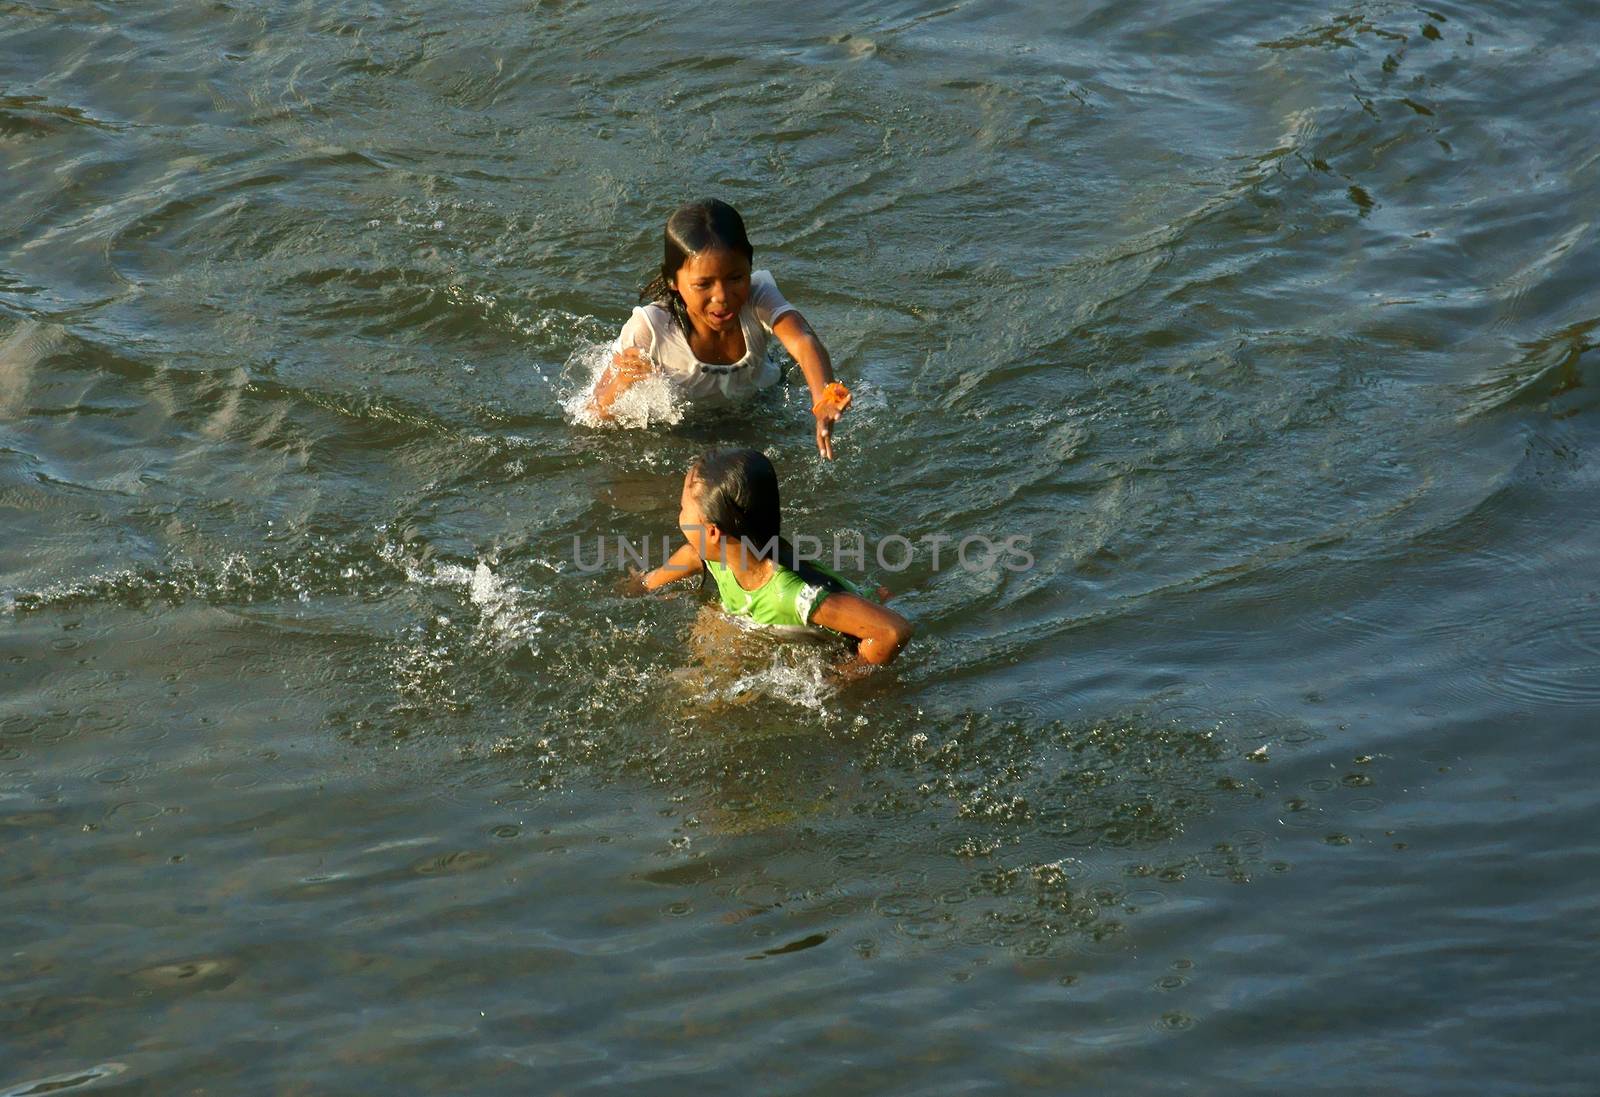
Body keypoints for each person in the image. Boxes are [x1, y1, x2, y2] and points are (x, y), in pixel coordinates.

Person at [590, 199, 853, 460]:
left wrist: (824, 397)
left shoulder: (758, 296)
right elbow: (594, 412)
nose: (722, 296)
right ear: (673, 281)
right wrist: (622, 381)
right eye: (704, 284)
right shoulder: (651, 328)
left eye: (736, 278)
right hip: (687, 430)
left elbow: (804, 340)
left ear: (750, 267)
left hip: (760, 407)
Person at [640, 448, 912, 666]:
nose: (679, 516)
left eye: (682, 509)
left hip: (841, 635)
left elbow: (892, 631)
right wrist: (647, 584)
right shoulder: (723, 552)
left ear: (713, 532)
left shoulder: (791, 595)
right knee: (710, 623)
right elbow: (692, 555)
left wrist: (845, 681)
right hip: (769, 617)